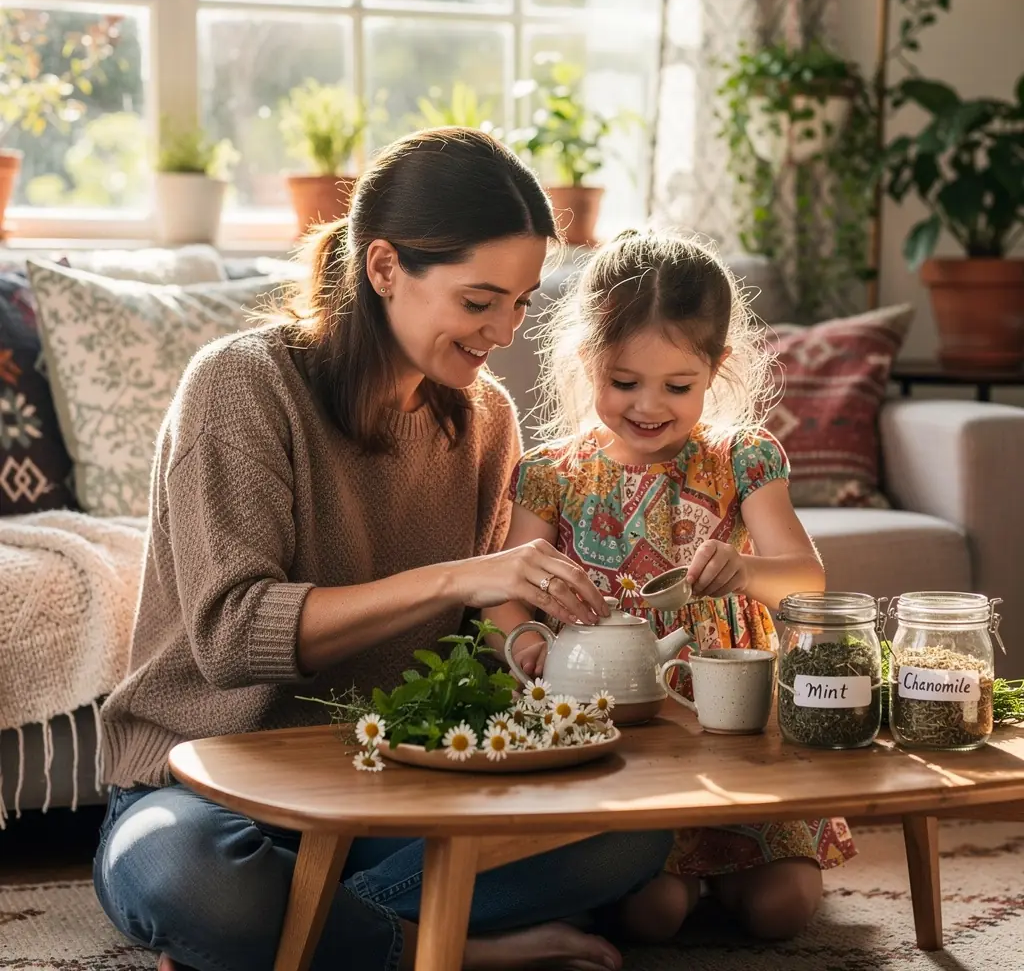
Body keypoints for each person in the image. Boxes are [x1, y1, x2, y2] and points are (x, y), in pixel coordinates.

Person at [92, 129, 674, 971]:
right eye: (479, 302)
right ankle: (450, 950)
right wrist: (459, 579)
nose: (503, 332)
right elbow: (230, 636)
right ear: (384, 269)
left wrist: (543, 646)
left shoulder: (485, 421)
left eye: (520, 302)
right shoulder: (241, 385)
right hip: (203, 790)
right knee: (191, 879)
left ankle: (301, 939)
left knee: (627, 840)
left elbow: (478, 634)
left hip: (388, 788)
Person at [483, 229, 856, 944]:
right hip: (614, 722)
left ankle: (729, 867)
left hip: (730, 726)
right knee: (650, 914)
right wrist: (521, 641)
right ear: (587, 360)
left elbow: (808, 581)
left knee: (783, 910)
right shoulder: (550, 472)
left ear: (715, 368)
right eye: (623, 382)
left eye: (677, 386)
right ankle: (675, 877)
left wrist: (744, 572)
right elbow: (506, 588)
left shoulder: (743, 458)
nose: (648, 406)